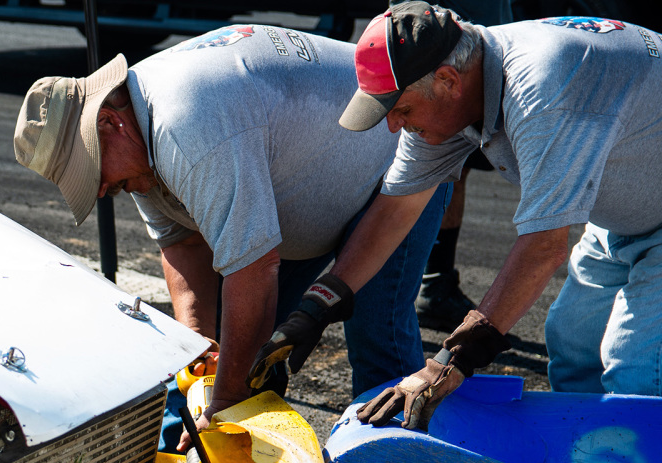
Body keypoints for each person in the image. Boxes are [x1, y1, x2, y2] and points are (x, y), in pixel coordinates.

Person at [12, 25, 449, 450]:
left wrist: (222, 403)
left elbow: (255, 270)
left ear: (108, 122)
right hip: (302, 188)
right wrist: (200, 351)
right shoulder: (137, 139)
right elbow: (182, 243)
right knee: (231, 352)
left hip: (399, 159)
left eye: (92, 174)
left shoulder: (185, 126)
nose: (102, 190)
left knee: (378, 339)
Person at [255, 2, 662, 430]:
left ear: (449, 80)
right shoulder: (451, 96)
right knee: (573, 343)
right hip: (625, 216)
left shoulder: (542, 90)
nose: (393, 126)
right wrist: (316, 308)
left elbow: (543, 248)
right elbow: (396, 209)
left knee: (635, 368)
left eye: (401, 110)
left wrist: (446, 366)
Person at [416, 0, 513, 332]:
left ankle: (436, 280)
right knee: (434, 161)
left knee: (456, 166)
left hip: (486, 34)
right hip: (444, 32)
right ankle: (425, 281)